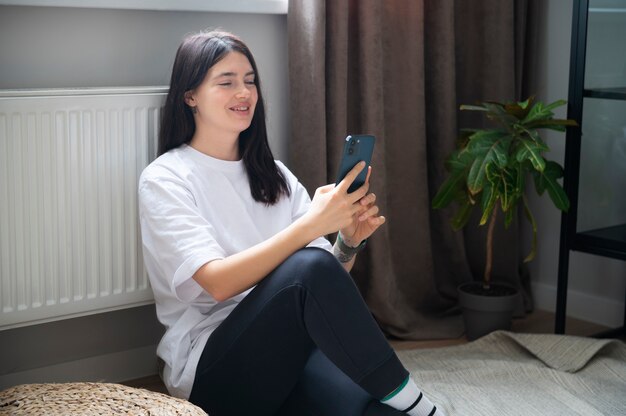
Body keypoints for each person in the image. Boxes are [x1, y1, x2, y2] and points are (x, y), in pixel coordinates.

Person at [138, 30, 446, 416]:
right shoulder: (166, 178)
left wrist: (348, 242)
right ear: (190, 96)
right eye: (227, 82)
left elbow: (320, 282)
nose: (244, 93)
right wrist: (310, 226)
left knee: (375, 409)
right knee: (306, 267)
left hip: (287, 351)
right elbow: (218, 283)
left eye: (250, 81)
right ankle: (425, 408)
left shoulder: (274, 174)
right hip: (212, 370)